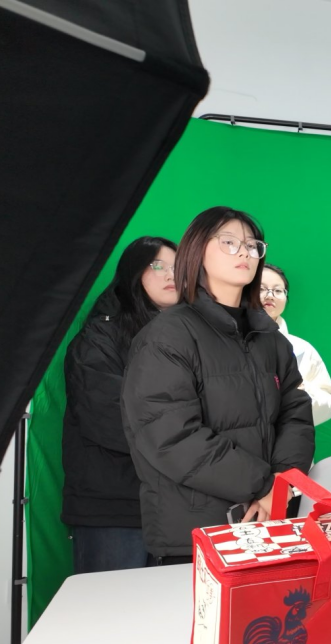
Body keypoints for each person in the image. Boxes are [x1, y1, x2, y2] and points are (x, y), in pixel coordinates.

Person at [121, 207, 314, 565]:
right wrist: (263, 485)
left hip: (270, 525)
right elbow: (171, 436)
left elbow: (296, 415)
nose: (244, 252)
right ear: (197, 250)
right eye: (229, 242)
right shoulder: (167, 336)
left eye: (253, 245)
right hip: (197, 533)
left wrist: (282, 483)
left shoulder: (270, 338)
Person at [61, 236, 179, 573]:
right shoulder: (99, 337)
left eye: (177, 267)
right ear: (133, 273)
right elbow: (110, 417)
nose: (170, 275)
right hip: (113, 507)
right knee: (109, 606)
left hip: (177, 510)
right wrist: (186, 443)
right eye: (157, 265)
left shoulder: (194, 338)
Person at [260, 264, 331, 426]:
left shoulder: (302, 349)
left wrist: (302, 391)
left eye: (278, 290)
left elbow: (330, 403)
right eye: (260, 289)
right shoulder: (225, 342)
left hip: (287, 435)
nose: (270, 296)